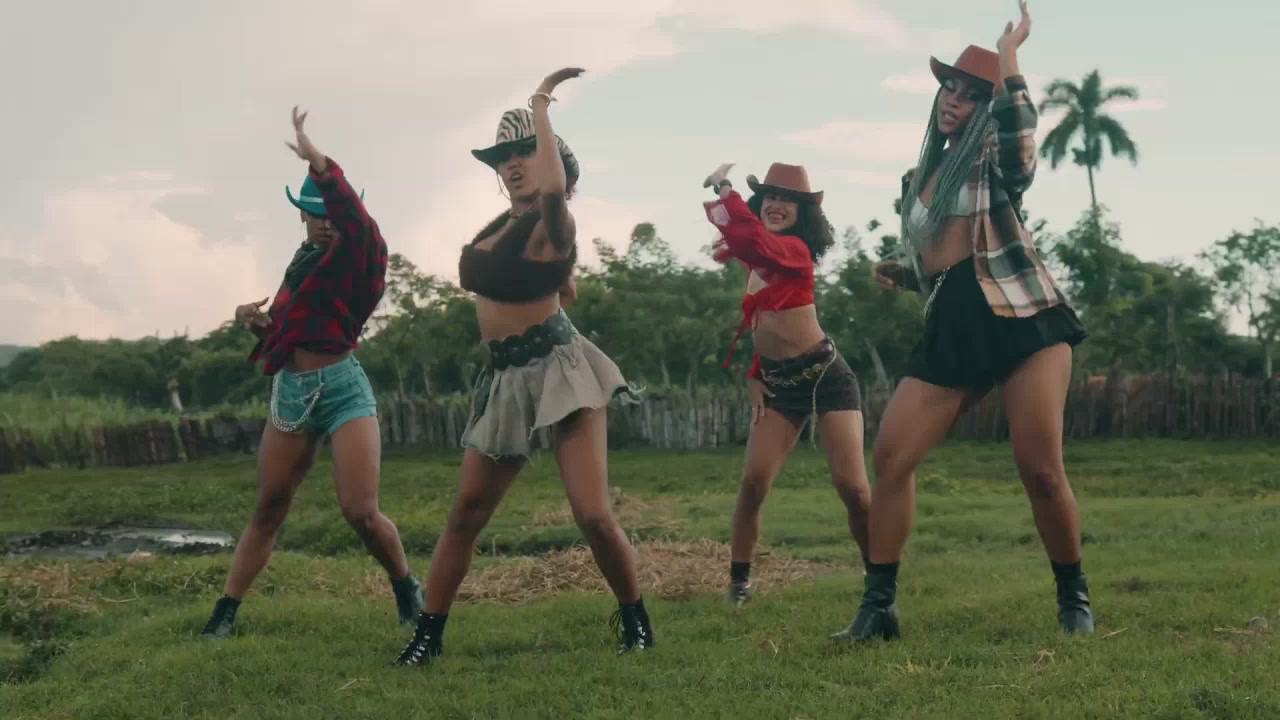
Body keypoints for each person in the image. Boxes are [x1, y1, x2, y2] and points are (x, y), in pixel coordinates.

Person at [833, 0, 1094, 642]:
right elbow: (944, 254)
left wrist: (1008, 61)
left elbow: (1021, 149)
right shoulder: (917, 177)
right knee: (891, 457)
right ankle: (879, 607)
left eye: (973, 95)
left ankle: (1074, 599)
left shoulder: (990, 163)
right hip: (953, 325)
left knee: (1039, 467)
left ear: (986, 108)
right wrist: (904, 272)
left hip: (1022, 319)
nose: (955, 99)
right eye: (951, 87)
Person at [393, 68, 654, 667]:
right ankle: (427, 637)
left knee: (591, 513)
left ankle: (636, 621)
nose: (512, 164)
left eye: (525, 153)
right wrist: (560, 281)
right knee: (466, 514)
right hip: (506, 379)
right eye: (503, 158)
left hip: (560, 370)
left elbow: (556, 197)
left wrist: (541, 104)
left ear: (549, 158)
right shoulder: (500, 227)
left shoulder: (555, 219)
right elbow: (537, 280)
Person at [200, 107, 421, 639]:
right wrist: (254, 322)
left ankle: (405, 586)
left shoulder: (360, 252)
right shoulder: (301, 262)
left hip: (343, 389)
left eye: (331, 213)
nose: (325, 222)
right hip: (292, 392)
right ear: (301, 215)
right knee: (269, 506)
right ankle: (224, 614)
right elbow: (290, 334)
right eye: (314, 213)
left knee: (360, 512)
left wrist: (317, 159)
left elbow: (351, 214)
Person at [701, 162, 871, 606]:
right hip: (780, 386)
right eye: (771, 197)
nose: (777, 205)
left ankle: (879, 578)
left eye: (788, 200)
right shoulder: (756, 263)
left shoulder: (793, 250)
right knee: (753, 482)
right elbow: (766, 324)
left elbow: (753, 239)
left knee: (853, 489)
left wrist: (724, 189)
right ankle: (739, 583)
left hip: (827, 377)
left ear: (802, 213)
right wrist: (755, 374)